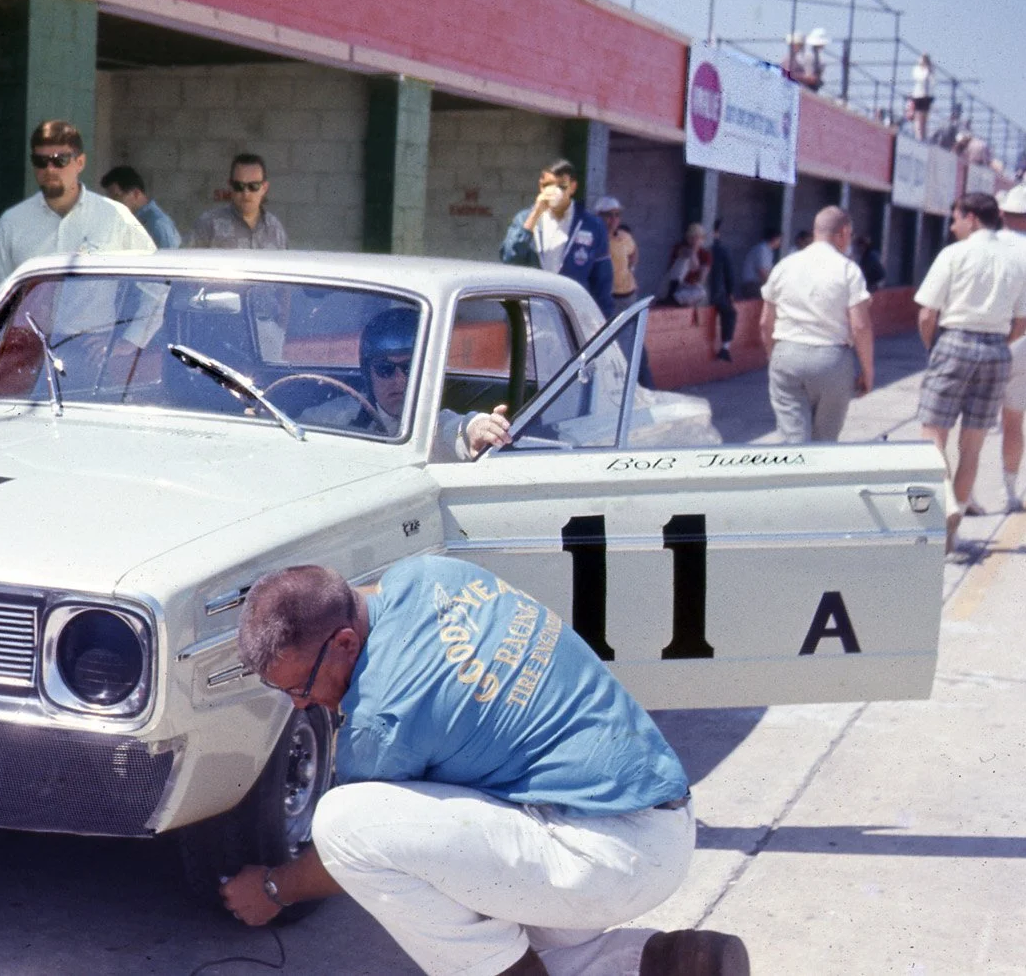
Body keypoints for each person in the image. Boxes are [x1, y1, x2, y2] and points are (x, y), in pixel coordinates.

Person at [220, 555, 750, 976]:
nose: (299, 704)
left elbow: (347, 856)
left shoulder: (382, 721)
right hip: (658, 818)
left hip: (603, 856)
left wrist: (273, 888)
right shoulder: (430, 574)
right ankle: (674, 965)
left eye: (301, 686)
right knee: (524, 938)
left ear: (344, 643)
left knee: (341, 824)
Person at [0, 121, 158, 368]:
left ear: (80, 163)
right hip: (24, 352)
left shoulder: (114, 217)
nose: (50, 169)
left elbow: (159, 286)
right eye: (41, 161)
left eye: (60, 160)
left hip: (91, 353)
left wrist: (131, 340)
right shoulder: (12, 222)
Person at [914, 192, 1026, 547]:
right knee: (973, 445)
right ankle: (952, 534)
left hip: (955, 341)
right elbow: (1021, 322)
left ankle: (944, 501)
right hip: (997, 348)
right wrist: (994, 345)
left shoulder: (954, 254)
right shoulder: (1015, 262)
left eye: (955, 218)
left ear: (973, 218)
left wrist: (935, 348)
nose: (952, 225)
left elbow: (927, 313)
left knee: (933, 432)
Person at [298, 307, 510, 461]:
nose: (399, 380)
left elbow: (457, 430)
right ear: (367, 373)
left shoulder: (433, 425)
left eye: (409, 368)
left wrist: (477, 428)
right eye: (385, 369)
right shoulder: (334, 417)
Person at [759, 206, 874, 444]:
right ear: (844, 233)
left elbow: (764, 322)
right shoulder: (848, 270)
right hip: (831, 360)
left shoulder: (784, 265)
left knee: (793, 444)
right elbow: (860, 327)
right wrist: (867, 371)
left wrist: (775, 356)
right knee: (825, 443)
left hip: (787, 353)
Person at [500, 159, 614, 317]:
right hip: (532, 312)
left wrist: (604, 321)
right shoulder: (524, 220)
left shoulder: (591, 225)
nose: (553, 191)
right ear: (540, 186)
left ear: (573, 187)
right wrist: (534, 215)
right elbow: (509, 258)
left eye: (561, 186)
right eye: (547, 185)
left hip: (572, 315)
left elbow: (602, 280)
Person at [987, 185, 1026, 513]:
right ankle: (1009, 492)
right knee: (1013, 420)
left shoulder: (984, 248)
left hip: (985, 333)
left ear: (1003, 215)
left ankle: (964, 498)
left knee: (972, 424)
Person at [188, 153, 288, 249]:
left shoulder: (275, 229)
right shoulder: (208, 225)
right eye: (239, 186)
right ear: (230, 186)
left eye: (254, 186)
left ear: (264, 188)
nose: (246, 193)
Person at [100, 165, 181, 249]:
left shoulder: (157, 223)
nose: (112, 203)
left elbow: (168, 260)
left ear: (136, 193)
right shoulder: (129, 220)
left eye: (117, 197)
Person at [595, 196, 638, 308]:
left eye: (617, 215)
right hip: (604, 297)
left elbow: (633, 252)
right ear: (598, 215)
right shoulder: (593, 239)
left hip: (627, 295)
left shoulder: (625, 237)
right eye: (609, 215)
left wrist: (631, 269)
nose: (614, 219)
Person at [660, 223, 710, 308]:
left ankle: (675, 300)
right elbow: (690, 261)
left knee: (702, 292)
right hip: (673, 284)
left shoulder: (705, 255)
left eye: (697, 238)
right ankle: (671, 297)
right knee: (684, 260)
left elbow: (702, 279)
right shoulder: (680, 248)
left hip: (687, 288)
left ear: (702, 239)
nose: (694, 240)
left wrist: (699, 271)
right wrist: (693, 252)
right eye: (692, 237)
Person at [708, 219, 737, 361]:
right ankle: (725, 347)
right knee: (730, 313)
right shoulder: (720, 249)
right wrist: (731, 292)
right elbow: (729, 273)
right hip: (716, 294)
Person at [739, 228, 781, 299]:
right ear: (774, 239)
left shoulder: (769, 251)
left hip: (758, 284)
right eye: (779, 240)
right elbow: (762, 272)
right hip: (752, 285)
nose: (780, 242)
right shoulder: (762, 249)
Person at [909, 54, 934, 142]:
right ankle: (919, 137)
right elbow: (921, 78)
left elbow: (933, 81)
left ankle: (923, 136)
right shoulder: (917, 69)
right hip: (918, 95)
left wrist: (929, 69)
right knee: (918, 117)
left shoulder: (930, 70)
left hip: (927, 95)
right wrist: (926, 70)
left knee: (925, 117)